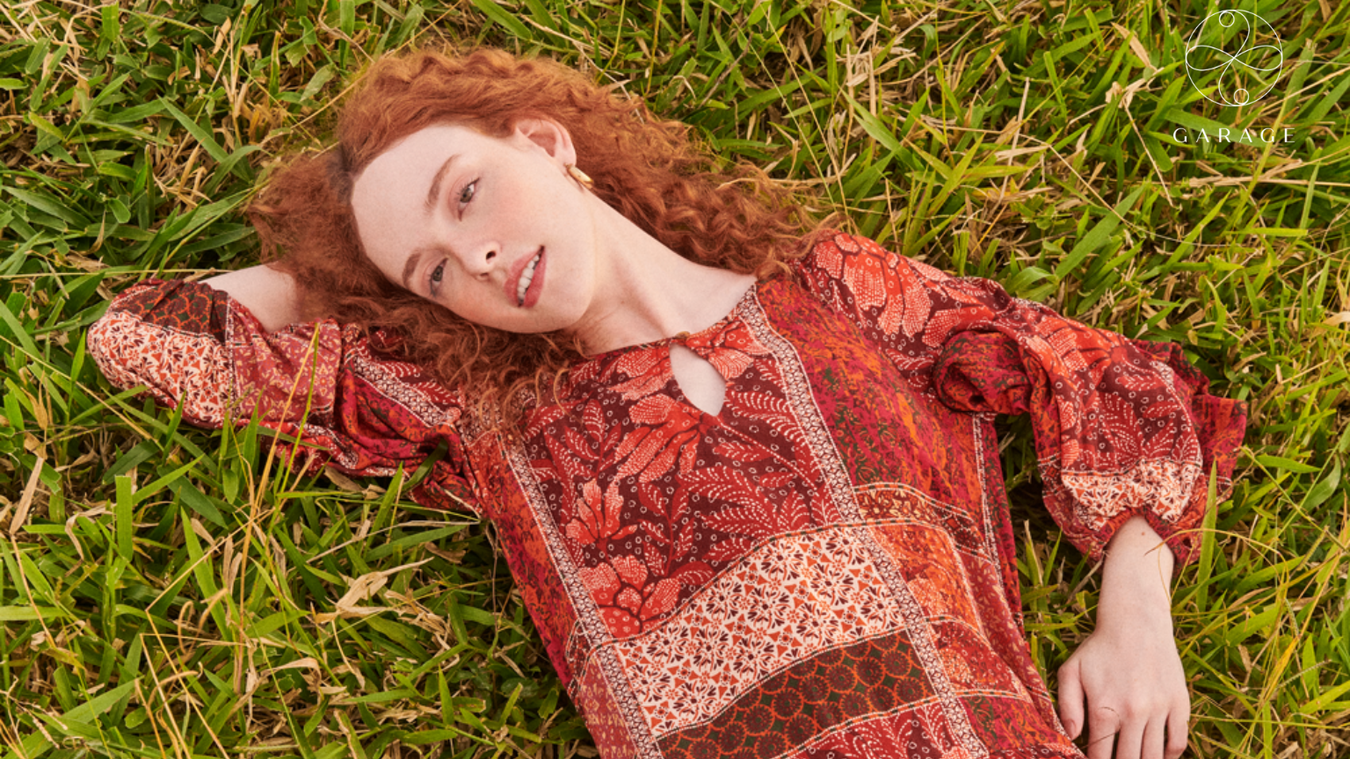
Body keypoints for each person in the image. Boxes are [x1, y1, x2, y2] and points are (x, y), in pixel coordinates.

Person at [88, 48, 1246, 759]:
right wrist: (350, 268)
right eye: (436, 270)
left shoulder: (836, 291)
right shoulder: (483, 407)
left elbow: (1103, 372)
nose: (479, 257)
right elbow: (147, 338)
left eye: (468, 193)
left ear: (547, 142)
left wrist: (1135, 606)